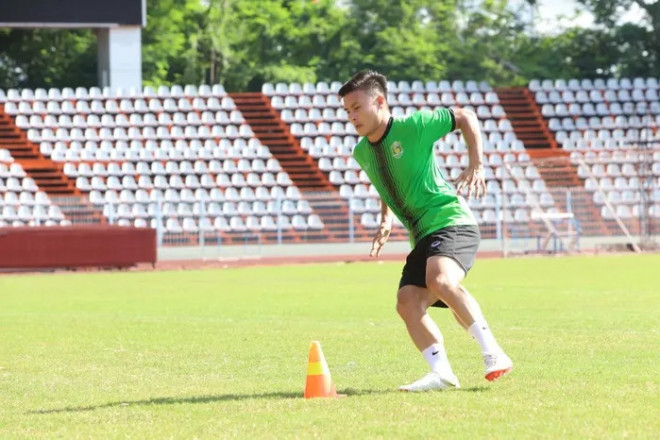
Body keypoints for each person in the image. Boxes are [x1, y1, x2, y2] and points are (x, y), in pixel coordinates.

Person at [338, 70, 513, 392]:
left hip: (450, 220)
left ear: (379, 101)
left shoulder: (413, 127)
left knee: (441, 280)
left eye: (357, 107)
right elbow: (386, 184)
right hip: (423, 235)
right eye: (347, 111)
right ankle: (442, 373)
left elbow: (466, 116)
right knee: (407, 302)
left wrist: (477, 164)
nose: (351, 116)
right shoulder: (362, 151)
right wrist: (385, 219)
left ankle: (494, 352)